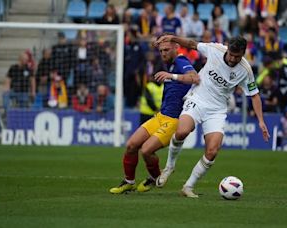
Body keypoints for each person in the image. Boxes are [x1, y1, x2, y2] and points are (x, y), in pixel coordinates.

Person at [154, 34, 270, 198]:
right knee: (181, 132)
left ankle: (188, 186)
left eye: (237, 56)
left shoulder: (245, 70)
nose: (232, 59)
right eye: (231, 54)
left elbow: (255, 95)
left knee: (212, 150)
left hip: (217, 110)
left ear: (243, 54)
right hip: (198, 98)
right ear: (227, 48)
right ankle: (169, 167)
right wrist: (174, 38)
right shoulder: (215, 49)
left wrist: (261, 121)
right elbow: (192, 44)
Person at [109, 34, 200, 194]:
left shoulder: (181, 61)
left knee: (146, 151)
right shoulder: (171, 62)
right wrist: (157, 43)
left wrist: (172, 76)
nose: (163, 53)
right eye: (161, 51)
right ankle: (129, 182)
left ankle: (155, 177)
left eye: (166, 50)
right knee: (131, 145)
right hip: (160, 116)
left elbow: (195, 78)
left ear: (176, 48)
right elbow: (159, 47)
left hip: (174, 120)